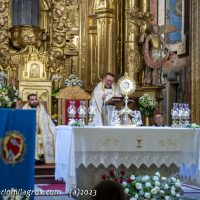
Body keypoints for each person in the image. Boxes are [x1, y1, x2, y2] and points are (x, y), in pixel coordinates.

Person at [23, 94, 56, 164]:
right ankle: (33, 158)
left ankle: (42, 158)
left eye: (35, 99)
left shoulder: (41, 109)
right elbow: (22, 122)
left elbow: (46, 121)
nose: (34, 101)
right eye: (32, 100)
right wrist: (32, 128)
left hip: (42, 131)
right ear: (28, 101)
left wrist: (41, 129)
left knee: (52, 134)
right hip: (29, 131)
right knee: (33, 136)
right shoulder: (24, 109)